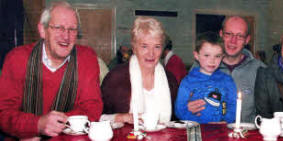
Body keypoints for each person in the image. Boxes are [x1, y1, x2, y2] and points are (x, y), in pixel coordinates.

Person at [0, 1, 103, 140]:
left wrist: (55, 125)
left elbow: (92, 109)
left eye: (72, 29)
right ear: (42, 30)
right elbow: (4, 114)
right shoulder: (17, 59)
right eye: (59, 28)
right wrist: (37, 125)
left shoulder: (87, 58)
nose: (66, 36)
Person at [100, 16, 178, 124]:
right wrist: (122, 117)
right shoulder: (115, 78)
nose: (151, 53)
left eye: (157, 47)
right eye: (144, 46)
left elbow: (176, 120)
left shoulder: (170, 80)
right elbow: (97, 118)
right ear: (134, 48)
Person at [190, 16, 265, 123]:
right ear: (221, 34)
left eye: (239, 36)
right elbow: (187, 104)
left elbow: (267, 114)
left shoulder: (260, 70)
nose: (233, 41)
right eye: (228, 34)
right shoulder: (199, 66)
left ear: (247, 40)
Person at [175, 33, 236, 123]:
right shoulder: (187, 82)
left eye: (217, 56)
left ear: (222, 57)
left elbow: (233, 106)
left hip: (220, 130)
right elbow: (179, 111)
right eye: (207, 55)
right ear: (196, 55)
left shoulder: (227, 81)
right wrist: (189, 113)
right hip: (195, 130)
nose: (212, 60)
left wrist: (224, 121)